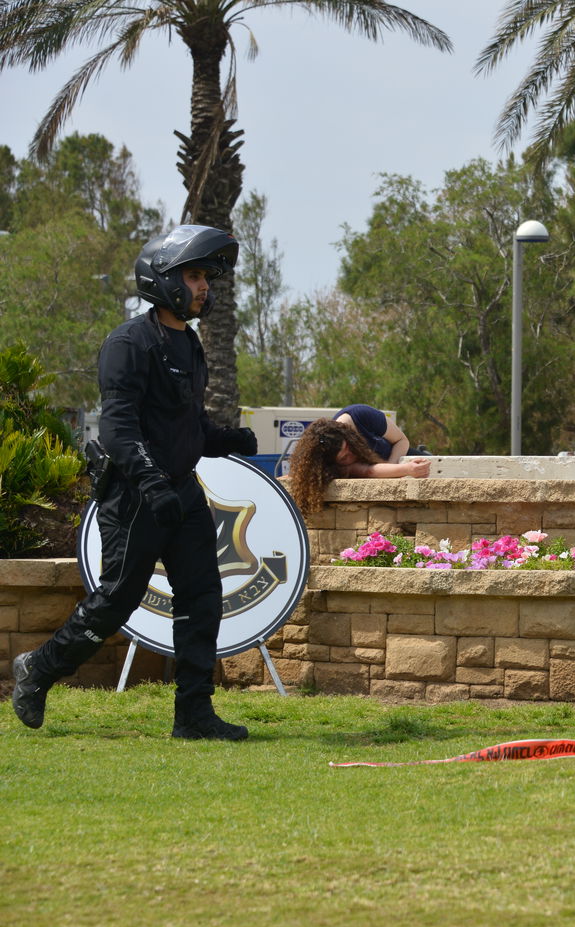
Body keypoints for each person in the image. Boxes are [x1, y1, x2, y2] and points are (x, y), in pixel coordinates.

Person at [10, 225, 257, 739]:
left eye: (206, 277)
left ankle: (193, 715)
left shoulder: (188, 344)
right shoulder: (128, 343)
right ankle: (38, 669)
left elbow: (186, 427)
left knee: (203, 599)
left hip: (181, 492)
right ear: (163, 280)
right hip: (134, 494)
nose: (204, 287)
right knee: (116, 601)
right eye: (194, 276)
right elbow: (120, 431)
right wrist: (152, 484)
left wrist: (228, 439)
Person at [284, 413, 430, 516]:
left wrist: (393, 466)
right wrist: (402, 470)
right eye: (345, 457)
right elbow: (370, 471)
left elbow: (402, 440)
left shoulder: (360, 415)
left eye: (349, 446)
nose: (351, 454)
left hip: (408, 456)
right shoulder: (337, 467)